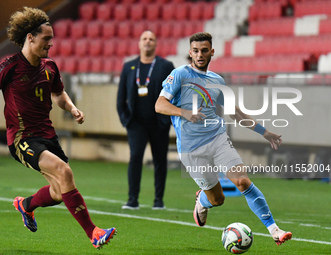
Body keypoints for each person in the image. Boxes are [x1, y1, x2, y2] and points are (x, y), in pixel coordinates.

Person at [0, 7, 116, 249]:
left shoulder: (50, 66)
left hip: (48, 136)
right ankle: (94, 233)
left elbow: (59, 93)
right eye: (46, 38)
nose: (50, 44)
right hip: (22, 138)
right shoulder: (9, 65)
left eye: (52, 39)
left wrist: (71, 108)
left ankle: (26, 205)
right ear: (30, 37)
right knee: (64, 172)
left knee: (60, 192)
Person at [155, 32, 292, 245]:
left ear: (212, 52)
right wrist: (184, 113)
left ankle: (274, 229)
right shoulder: (180, 74)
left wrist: (265, 133)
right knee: (217, 200)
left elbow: (235, 113)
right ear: (190, 52)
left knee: (243, 181)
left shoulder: (217, 80)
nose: (200, 55)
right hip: (191, 150)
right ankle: (202, 200)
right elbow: (159, 105)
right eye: (196, 51)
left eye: (204, 50)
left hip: (217, 140)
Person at [117, 31, 175, 210]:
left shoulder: (165, 66)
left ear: (156, 44)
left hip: (159, 123)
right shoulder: (129, 67)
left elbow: (175, 93)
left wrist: (167, 119)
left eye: (151, 39)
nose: (147, 42)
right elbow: (121, 98)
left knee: (160, 160)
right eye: (144, 39)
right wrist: (126, 120)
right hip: (136, 123)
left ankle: (159, 200)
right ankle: (132, 199)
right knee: (135, 157)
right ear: (139, 44)